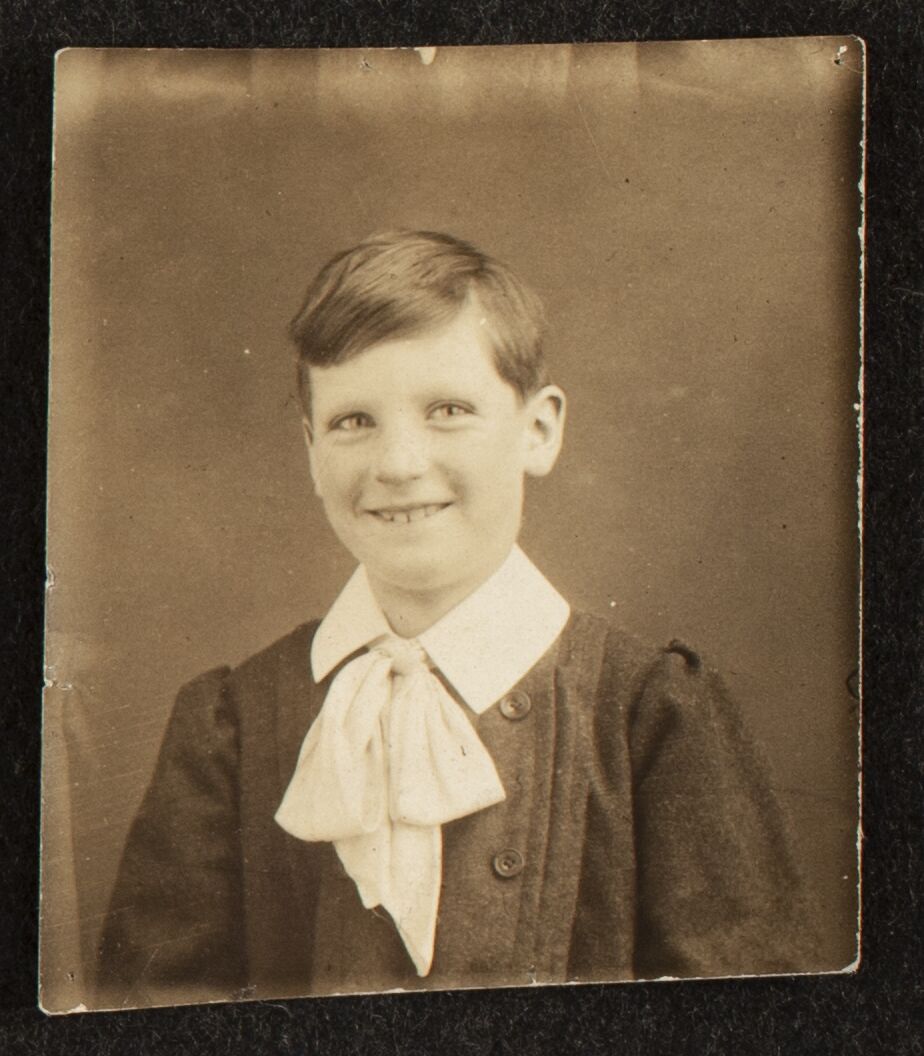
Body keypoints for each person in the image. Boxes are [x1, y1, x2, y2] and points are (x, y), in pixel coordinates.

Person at [96, 230, 817, 1009]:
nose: (399, 463)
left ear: (537, 430)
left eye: (447, 410)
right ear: (310, 452)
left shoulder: (654, 716)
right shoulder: (232, 721)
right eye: (353, 422)